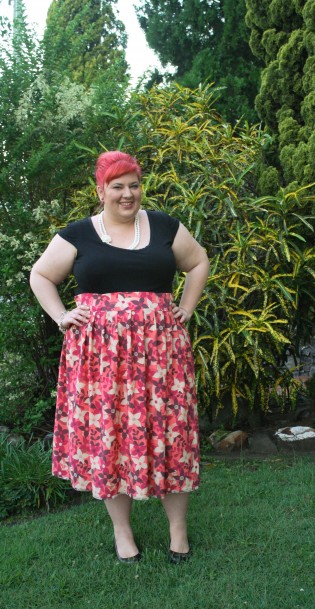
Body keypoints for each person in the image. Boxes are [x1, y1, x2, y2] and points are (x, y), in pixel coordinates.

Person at [30, 151, 210, 564]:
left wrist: (186, 306)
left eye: (133, 185)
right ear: (101, 191)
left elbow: (198, 261)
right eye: (117, 187)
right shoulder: (78, 234)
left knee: (173, 435)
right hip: (100, 362)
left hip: (163, 356)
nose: (127, 194)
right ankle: (122, 532)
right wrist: (61, 315)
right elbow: (41, 275)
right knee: (111, 440)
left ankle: (178, 534)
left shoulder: (164, 225)